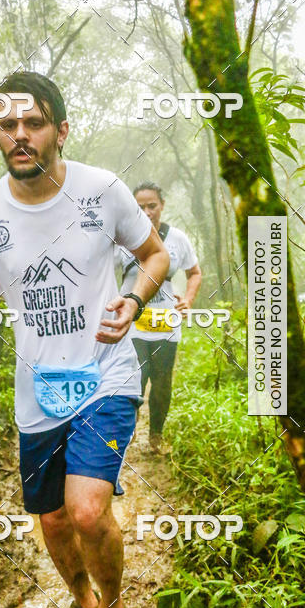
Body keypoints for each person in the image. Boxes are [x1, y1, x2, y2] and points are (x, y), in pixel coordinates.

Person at [0, 72, 169, 608]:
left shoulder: (103, 190)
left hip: (106, 374)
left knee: (87, 511)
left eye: (33, 122)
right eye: (7, 125)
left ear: (60, 130)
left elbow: (154, 257)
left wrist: (135, 300)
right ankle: (85, 601)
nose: (19, 135)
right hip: (36, 393)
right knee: (54, 522)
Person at [117, 182, 202, 451]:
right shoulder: (122, 238)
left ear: (162, 206)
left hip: (166, 322)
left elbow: (195, 273)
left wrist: (188, 299)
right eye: (140, 207)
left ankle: (156, 435)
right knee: (135, 376)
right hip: (132, 322)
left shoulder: (177, 238)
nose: (146, 211)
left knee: (162, 380)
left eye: (151, 206)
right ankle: (128, 430)